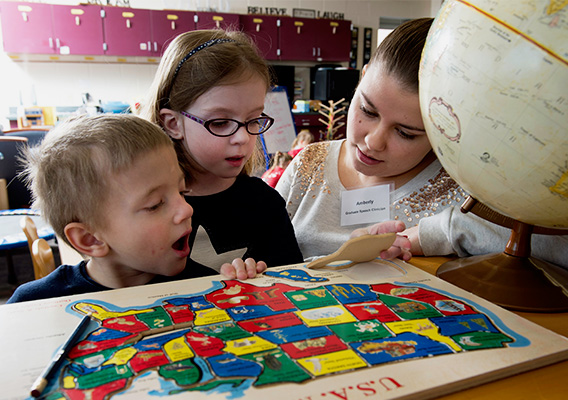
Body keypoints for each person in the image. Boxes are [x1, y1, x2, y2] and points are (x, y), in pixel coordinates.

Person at [276, 18, 567, 268]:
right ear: (361, 79)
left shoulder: (465, 188)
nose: (374, 142)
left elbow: (555, 245)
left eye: (406, 133)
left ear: (442, 131)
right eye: (367, 110)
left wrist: (439, 233)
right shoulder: (307, 164)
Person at [7, 114, 259, 304]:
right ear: (90, 238)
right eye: (156, 204)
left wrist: (244, 290)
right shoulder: (35, 305)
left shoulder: (204, 284)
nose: (186, 210)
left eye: (182, 192)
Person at [139, 30, 304, 277]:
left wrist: (259, 282)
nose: (243, 138)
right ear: (173, 124)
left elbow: (293, 286)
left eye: (253, 119)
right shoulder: (142, 210)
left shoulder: (265, 205)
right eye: (220, 123)